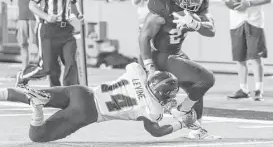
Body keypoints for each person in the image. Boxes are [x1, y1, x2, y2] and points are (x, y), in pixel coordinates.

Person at [0, 62, 198, 142]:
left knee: (24, 93)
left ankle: (22, 97)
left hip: (81, 92)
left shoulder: (136, 72)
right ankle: (37, 108)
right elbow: (155, 131)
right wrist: (181, 123)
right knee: (38, 136)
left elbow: (138, 66)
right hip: (89, 112)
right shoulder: (152, 109)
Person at [139, 0, 221, 140]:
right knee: (207, 79)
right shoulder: (163, 6)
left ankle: (197, 130)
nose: (194, 0)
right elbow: (144, 37)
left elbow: (211, 30)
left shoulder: (199, 4)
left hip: (175, 52)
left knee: (195, 89)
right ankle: (182, 110)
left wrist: (195, 23)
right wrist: (149, 66)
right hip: (160, 55)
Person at [18, 0, 84, 87]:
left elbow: (72, 2)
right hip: (49, 30)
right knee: (48, 68)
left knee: (71, 62)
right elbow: (32, 4)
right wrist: (47, 16)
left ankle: (70, 92)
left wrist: (78, 14)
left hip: (66, 29)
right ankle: (24, 76)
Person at [225, 0, 272, 101]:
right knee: (239, 58)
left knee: (255, 57)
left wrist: (249, 3)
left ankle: (258, 89)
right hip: (236, 20)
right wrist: (229, 2)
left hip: (253, 21)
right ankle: (243, 89)